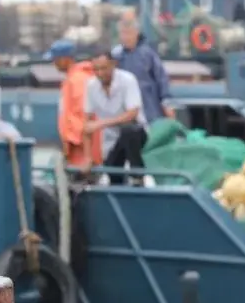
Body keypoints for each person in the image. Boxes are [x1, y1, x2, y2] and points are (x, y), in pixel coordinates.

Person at [84, 52, 148, 185]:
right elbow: (87, 125)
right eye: (96, 69)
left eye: (104, 68)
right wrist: (88, 157)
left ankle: (138, 176)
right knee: (113, 173)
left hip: (136, 137)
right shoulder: (91, 86)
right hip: (111, 142)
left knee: (129, 130)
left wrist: (101, 123)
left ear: (113, 65)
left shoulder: (128, 80)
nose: (100, 73)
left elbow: (132, 114)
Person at [47, 39, 100, 170]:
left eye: (56, 59)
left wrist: (72, 143)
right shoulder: (73, 78)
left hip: (80, 149)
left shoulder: (78, 79)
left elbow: (82, 114)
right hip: (77, 147)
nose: (54, 63)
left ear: (65, 59)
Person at [111, 19, 174, 123]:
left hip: (149, 107)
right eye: (122, 34)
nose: (125, 37)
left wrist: (167, 103)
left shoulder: (148, 54)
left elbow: (161, 79)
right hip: (125, 110)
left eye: (128, 33)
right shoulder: (115, 56)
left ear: (136, 33)